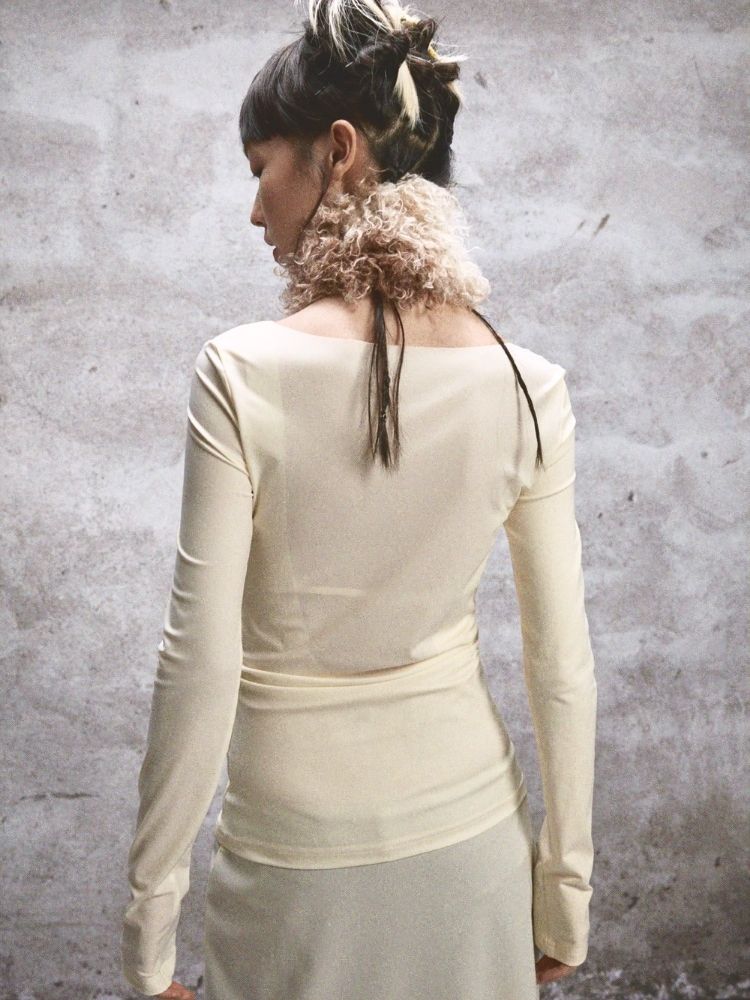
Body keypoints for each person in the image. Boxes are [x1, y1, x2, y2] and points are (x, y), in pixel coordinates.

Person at [119, 1, 598, 998]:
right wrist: (565, 894)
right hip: (472, 846)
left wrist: (150, 927)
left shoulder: (240, 371)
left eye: (260, 167)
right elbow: (562, 665)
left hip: (295, 862)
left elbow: (197, 660)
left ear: (336, 152)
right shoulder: (530, 384)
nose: (256, 212)